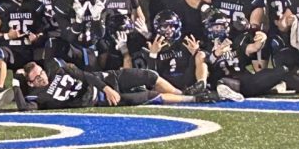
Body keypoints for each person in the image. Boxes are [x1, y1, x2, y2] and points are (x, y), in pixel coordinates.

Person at [18, 58, 204, 109]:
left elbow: (86, 76)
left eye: (41, 73)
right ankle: (194, 99)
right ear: (31, 82)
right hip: (100, 99)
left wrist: (106, 87)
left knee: (150, 76)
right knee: (153, 97)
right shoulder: (38, 95)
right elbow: (25, 108)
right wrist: (16, 83)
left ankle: (182, 93)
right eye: (37, 78)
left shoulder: (57, 68)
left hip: (105, 80)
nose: (42, 77)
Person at [200, 9, 296, 100]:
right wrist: (216, 53)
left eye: (221, 27)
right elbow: (205, 64)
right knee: (221, 83)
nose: (219, 30)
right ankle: (224, 91)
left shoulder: (235, 42)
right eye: (216, 27)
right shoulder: (205, 46)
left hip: (245, 83)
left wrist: (262, 38)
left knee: (281, 70)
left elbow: (254, 47)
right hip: (222, 81)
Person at [135, 9, 218, 100]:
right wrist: (153, 55)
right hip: (168, 86)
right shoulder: (152, 45)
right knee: (154, 82)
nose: (169, 30)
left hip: (188, 82)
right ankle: (185, 95)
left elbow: (208, 60)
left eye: (172, 26)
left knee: (201, 55)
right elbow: (151, 78)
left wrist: (196, 52)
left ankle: (201, 85)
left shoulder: (186, 41)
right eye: (165, 26)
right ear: (158, 28)